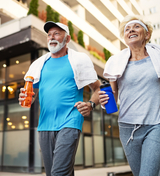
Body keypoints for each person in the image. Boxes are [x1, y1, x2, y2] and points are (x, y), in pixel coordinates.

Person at [99, 15, 160, 176]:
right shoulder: (116, 62)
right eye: (127, 29)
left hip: (157, 123)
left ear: (147, 34)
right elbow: (112, 93)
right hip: (127, 127)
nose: (131, 30)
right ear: (125, 37)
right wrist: (104, 100)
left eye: (136, 27)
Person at [18, 21, 101, 176]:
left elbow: (97, 89)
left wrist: (90, 104)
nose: (52, 37)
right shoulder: (38, 64)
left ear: (67, 39)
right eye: (49, 34)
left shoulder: (79, 60)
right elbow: (32, 95)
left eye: (57, 33)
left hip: (70, 120)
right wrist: (25, 96)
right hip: (45, 125)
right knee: (53, 173)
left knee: (59, 173)